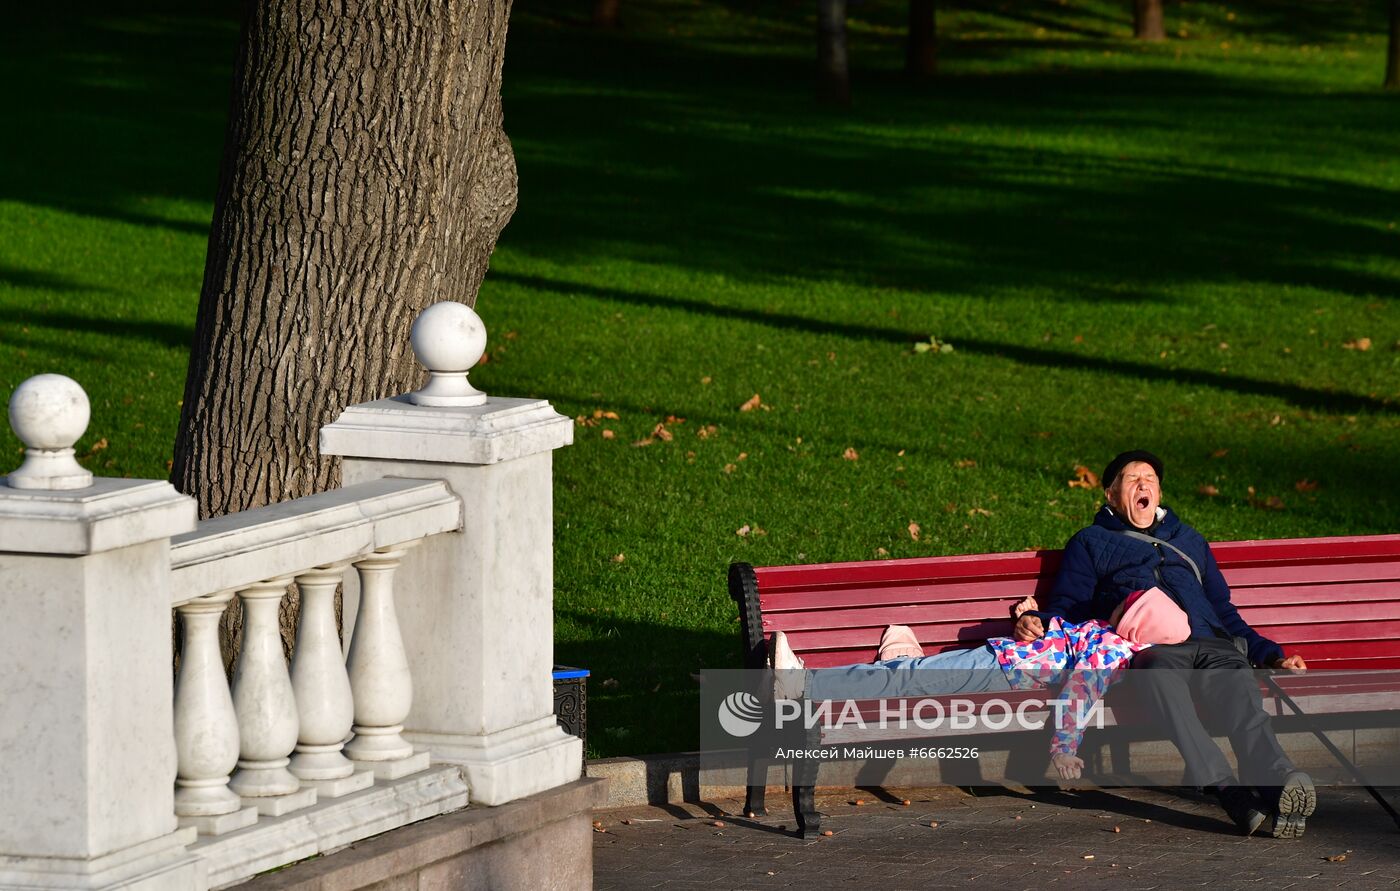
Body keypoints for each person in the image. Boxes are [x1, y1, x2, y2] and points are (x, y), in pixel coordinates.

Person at [1014, 449, 1315, 839]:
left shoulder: (1188, 539)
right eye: (1131, 478)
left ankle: (1278, 781)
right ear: (1109, 494)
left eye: (1151, 478)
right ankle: (1228, 789)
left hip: (1212, 643)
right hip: (1150, 650)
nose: (1144, 483)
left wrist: (1270, 655)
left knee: (1241, 696)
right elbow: (1068, 607)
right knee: (1159, 681)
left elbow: (1224, 610)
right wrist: (1031, 619)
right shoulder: (1090, 542)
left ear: (1158, 492)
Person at [770, 585, 1190, 780]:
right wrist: (1038, 618)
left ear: (1137, 621)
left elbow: (1080, 692)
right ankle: (819, 680)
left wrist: (1063, 749)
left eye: (1129, 603)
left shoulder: (1110, 652)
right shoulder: (1106, 636)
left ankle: (803, 684)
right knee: (910, 678)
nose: (1119, 599)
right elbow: (1062, 643)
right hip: (1000, 662)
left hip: (1000, 672)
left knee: (908, 680)